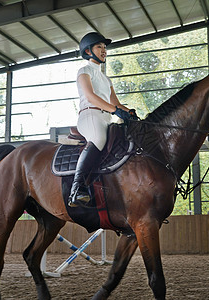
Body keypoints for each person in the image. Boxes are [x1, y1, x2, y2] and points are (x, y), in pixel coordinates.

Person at [68, 32, 138, 207]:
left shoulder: (106, 79)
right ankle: (77, 189)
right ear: (88, 51)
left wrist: (129, 112)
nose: (104, 50)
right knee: (98, 139)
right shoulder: (84, 71)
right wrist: (115, 110)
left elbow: (116, 103)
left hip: (106, 117)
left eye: (105, 47)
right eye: (99, 47)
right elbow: (91, 97)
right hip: (89, 115)